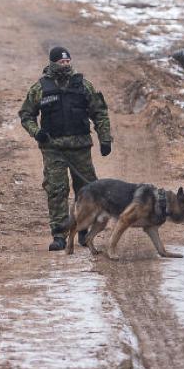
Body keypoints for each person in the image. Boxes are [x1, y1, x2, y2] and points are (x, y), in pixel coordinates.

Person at [18, 47, 113, 251]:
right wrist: (37, 132)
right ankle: (59, 235)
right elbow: (26, 115)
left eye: (68, 61)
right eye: (62, 62)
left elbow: (100, 112)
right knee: (56, 189)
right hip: (53, 149)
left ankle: (83, 230)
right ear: (53, 63)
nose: (66, 65)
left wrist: (105, 139)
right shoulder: (40, 88)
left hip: (80, 148)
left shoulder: (83, 86)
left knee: (87, 190)